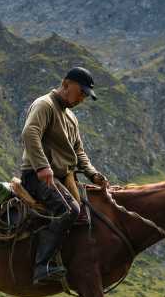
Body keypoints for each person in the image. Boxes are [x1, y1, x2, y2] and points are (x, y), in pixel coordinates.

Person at [20, 67, 109, 285]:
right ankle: (42, 266)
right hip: (36, 175)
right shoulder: (44, 105)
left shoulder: (71, 117)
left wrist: (93, 174)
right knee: (70, 209)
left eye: (85, 96)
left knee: (90, 212)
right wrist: (42, 167)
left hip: (62, 177)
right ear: (66, 84)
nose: (82, 99)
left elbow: (78, 151)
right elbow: (30, 133)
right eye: (81, 92)